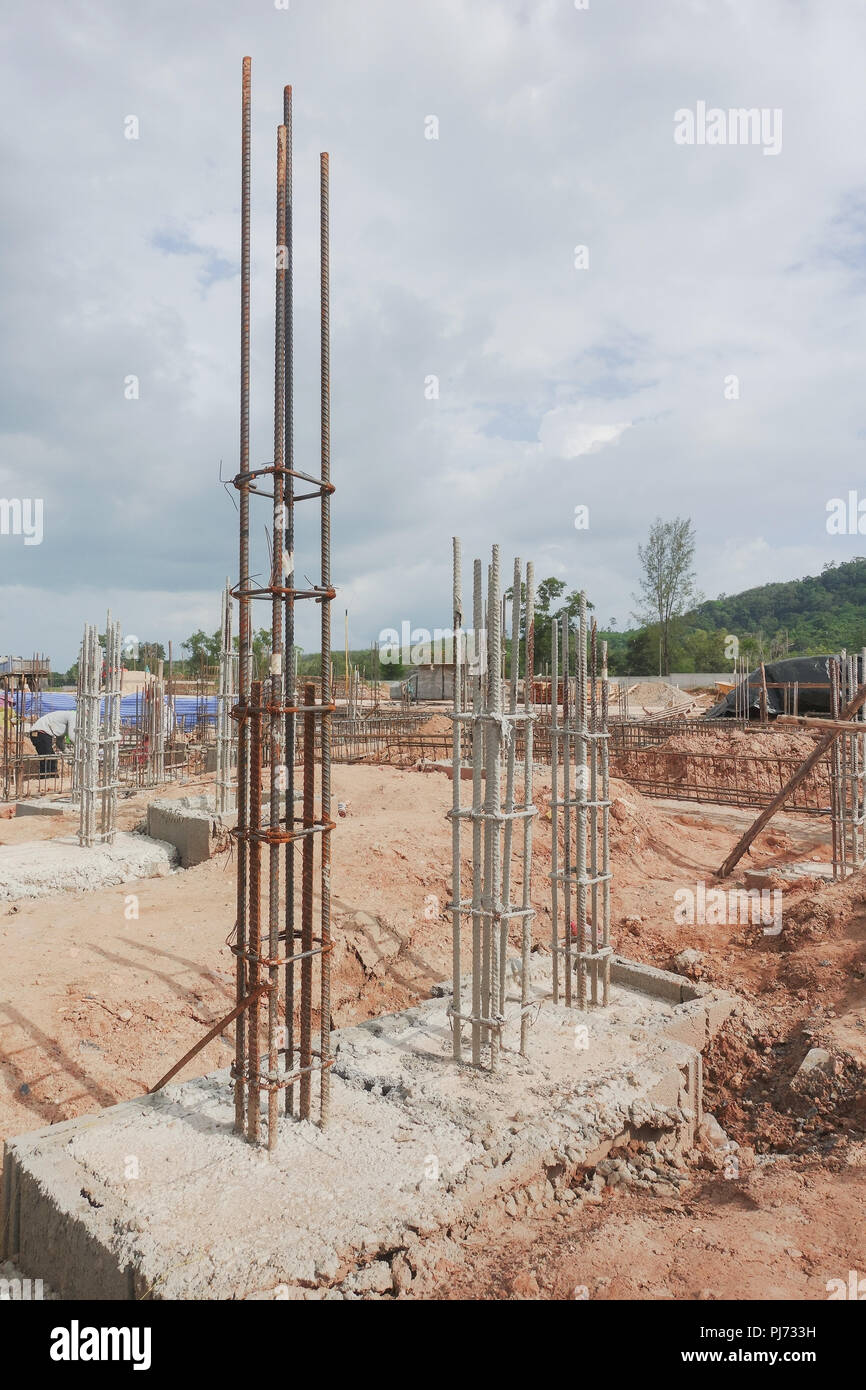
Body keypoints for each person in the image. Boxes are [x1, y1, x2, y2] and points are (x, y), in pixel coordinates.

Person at [29, 708, 76, 777]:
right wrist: (80, 749)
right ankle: (46, 779)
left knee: (51, 757)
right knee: (48, 757)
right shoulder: (74, 716)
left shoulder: (62, 725)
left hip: (41, 733)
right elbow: (72, 737)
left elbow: (59, 742)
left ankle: (51, 778)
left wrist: (68, 753)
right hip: (40, 732)